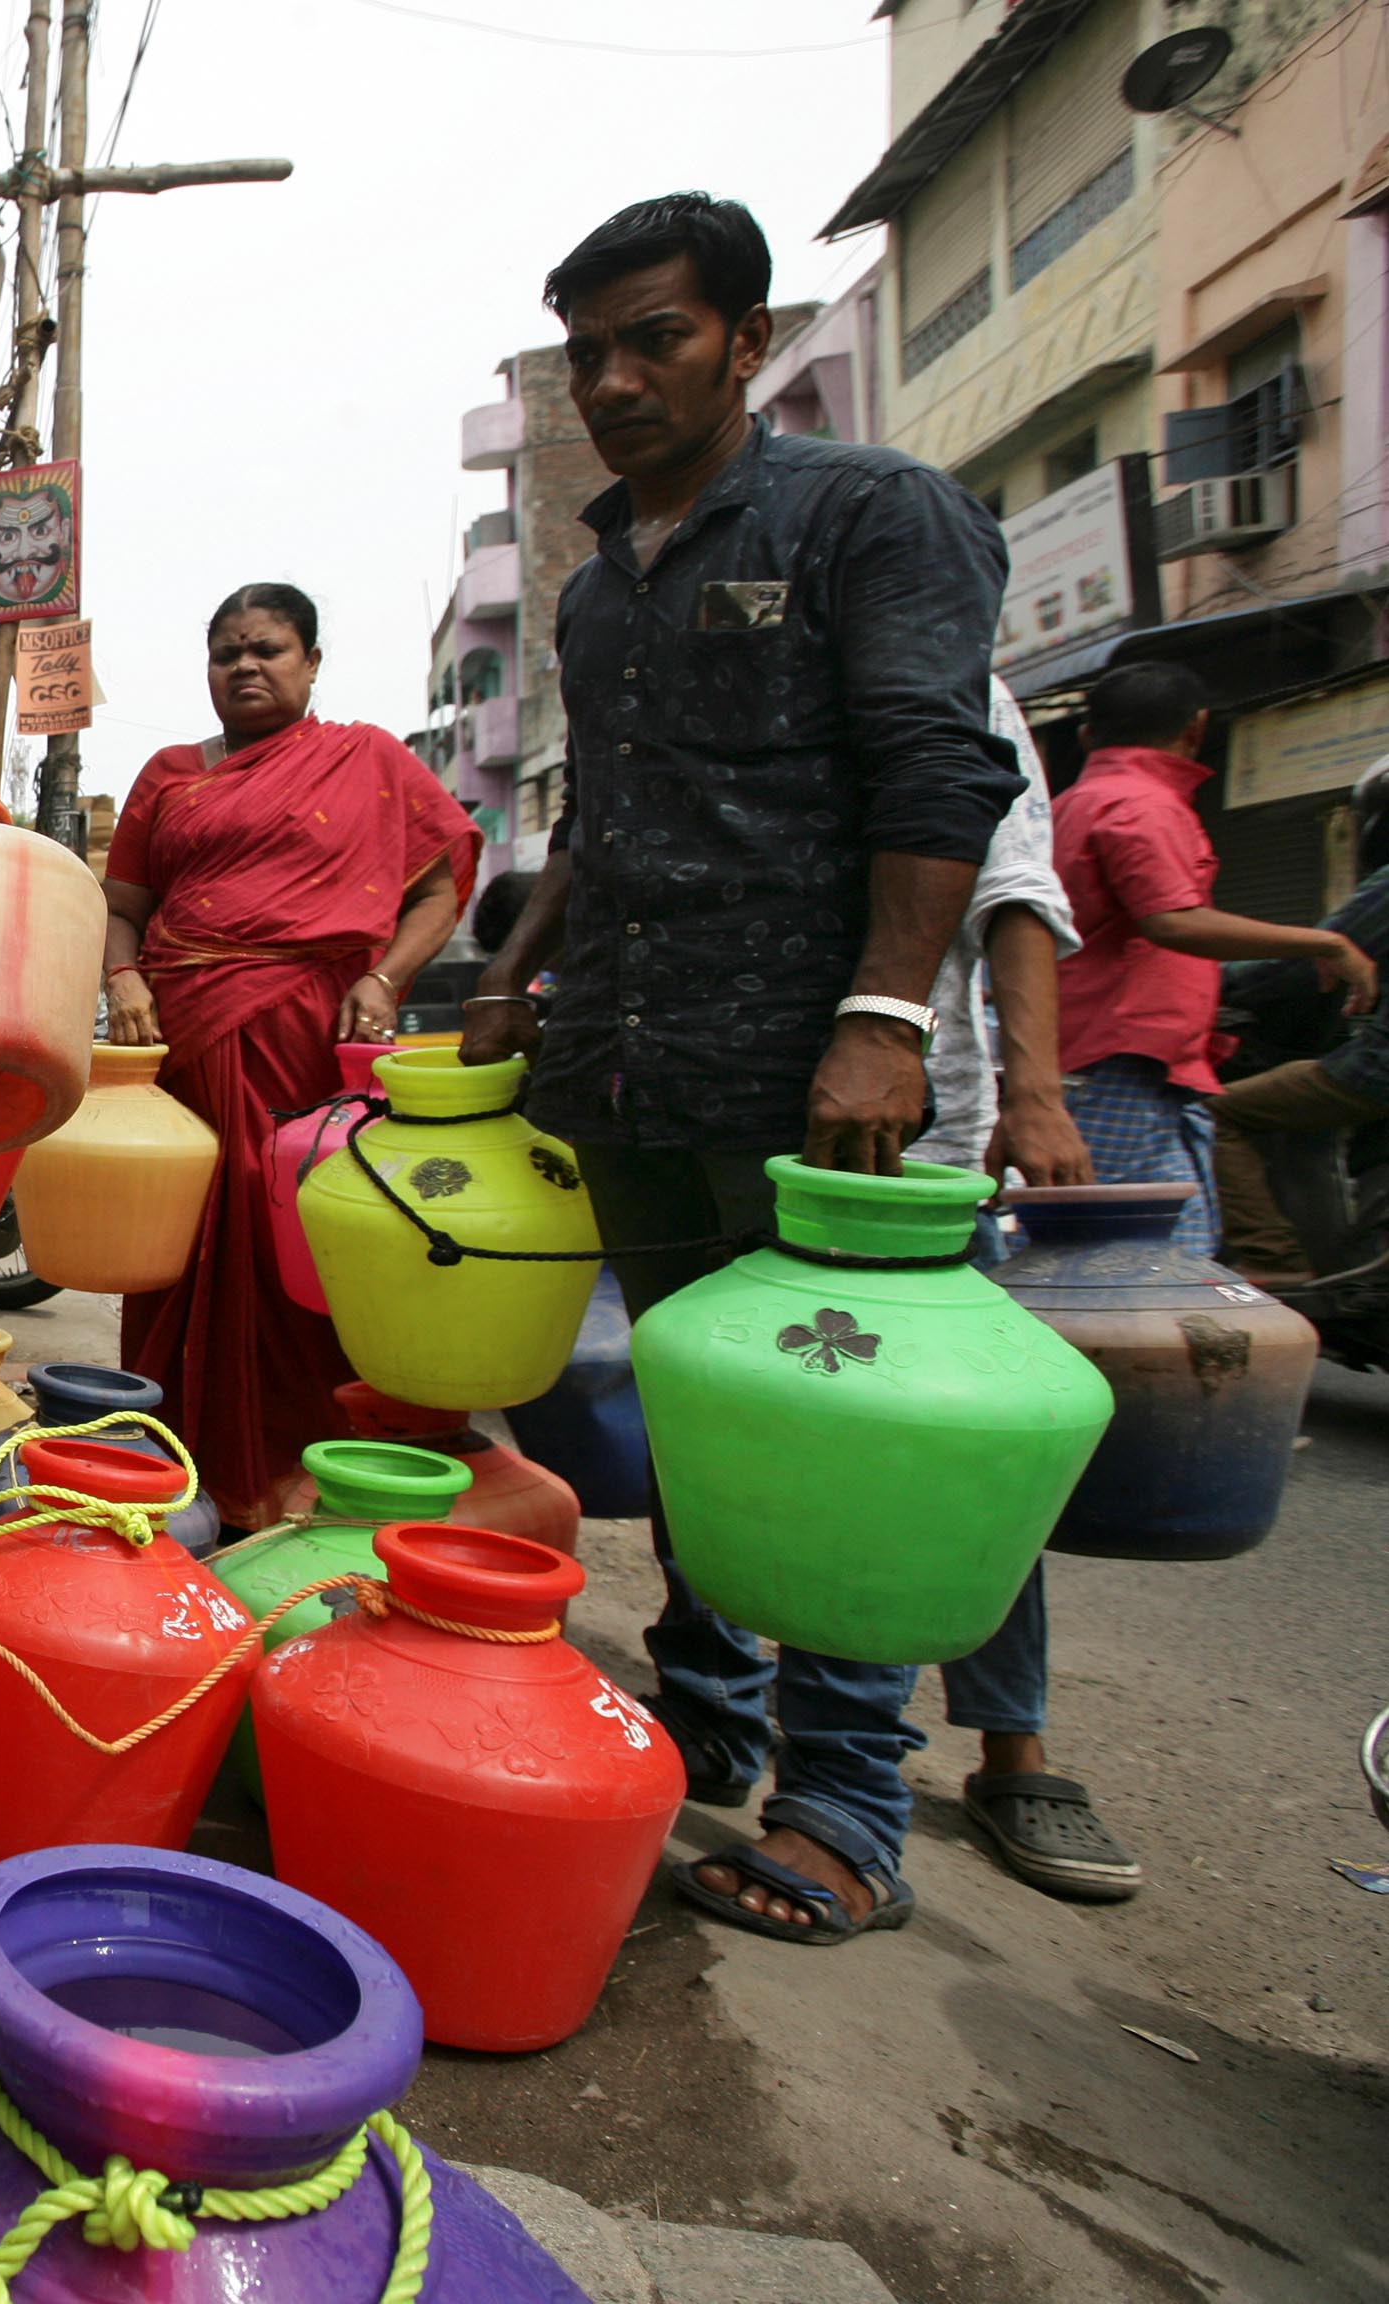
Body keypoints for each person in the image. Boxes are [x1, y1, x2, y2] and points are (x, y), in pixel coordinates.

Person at [467, 193, 1027, 1947]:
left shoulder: (875, 514)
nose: (617, 379)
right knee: (693, 1416)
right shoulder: (597, 578)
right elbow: (597, 806)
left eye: (657, 338)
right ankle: (704, 1696)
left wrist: (887, 1016)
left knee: (824, 1430)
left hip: (810, 1074)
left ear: (748, 339)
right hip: (629, 1048)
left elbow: (942, 772)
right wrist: (514, 967)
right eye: (590, 352)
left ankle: (849, 1798)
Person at [99, 585, 475, 1522]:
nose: (245, 666)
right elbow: (123, 908)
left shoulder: (370, 761)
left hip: (315, 1043)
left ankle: (304, 1477)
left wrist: (386, 978)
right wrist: (125, 980)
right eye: (227, 652)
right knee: (181, 1248)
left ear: (311, 663)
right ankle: (175, 1465)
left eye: (267, 649)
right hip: (183, 1035)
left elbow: (442, 886)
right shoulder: (170, 773)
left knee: (298, 1249)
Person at [913, 685, 1131, 1901]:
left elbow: (1013, 893)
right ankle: (768, 1724)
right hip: (737, 1128)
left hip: (924, 1143)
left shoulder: (955, 676)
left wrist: (1032, 1092)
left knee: (968, 1462)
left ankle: (1011, 1745)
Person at [1049, 661, 1377, 1258]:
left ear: (1087, 735)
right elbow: (1170, 920)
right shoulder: (1141, 804)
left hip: (1119, 1055)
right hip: (1122, 1055)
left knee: (1158, 1250)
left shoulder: (1074, 801)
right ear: (1196, 729)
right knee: (1138, 1259)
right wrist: (1323, 943)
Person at [1214, 761, 1389, 1277]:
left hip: (1377, 1069)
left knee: (1217, 1113)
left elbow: (1304, 963)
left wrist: (1199, 979)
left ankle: (1275, 1261)